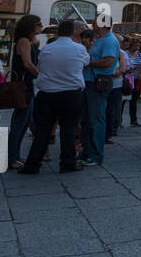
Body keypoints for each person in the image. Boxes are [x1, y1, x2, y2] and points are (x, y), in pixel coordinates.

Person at [18, 20, 90, 175]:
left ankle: (33, 164)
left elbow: (41, 65)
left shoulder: (47, 49)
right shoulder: (79, 49)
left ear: (58, 32)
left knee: (43, 130)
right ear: (72, 32)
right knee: (69, 128)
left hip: (48, 93)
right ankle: (67, 162)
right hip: (71, 93)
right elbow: (85, 63)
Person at [80, 22, 119, 167]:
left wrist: (88, 62)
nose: (92, 26)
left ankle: (96, 154)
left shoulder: (109, 40)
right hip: (90, 81)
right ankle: (87, 151)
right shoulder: (101, 39)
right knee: (87, 119)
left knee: (96, 119)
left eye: (95, 23)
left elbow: (108, 61)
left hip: (97, 82)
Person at [8, 15, 41, 170]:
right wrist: (41, 76)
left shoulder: (28, 41)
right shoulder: (24, 41)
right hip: (24, 86)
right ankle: (11, 157)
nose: (41, 26)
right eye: (38, 24)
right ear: (30, 26)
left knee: (25, 121)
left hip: (26, 85)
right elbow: (28, 64)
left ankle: (15, 155)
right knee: (20, 122)